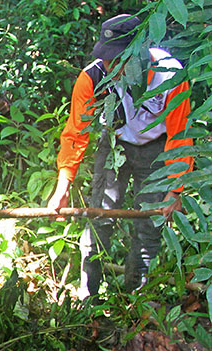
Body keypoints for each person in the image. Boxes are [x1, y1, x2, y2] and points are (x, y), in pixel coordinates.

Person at [46, 14, 193, 298]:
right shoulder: (94, 76)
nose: (112, 66)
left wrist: (174, 189)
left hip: (156, 146)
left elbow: (180, 134)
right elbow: (76, 133)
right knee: (99, 215)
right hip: (114, 142)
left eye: (119, 59)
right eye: (107, 58)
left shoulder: (169, 74)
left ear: (139, 51)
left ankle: (135, 298)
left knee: (150, 222)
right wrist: (63, 186)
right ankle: (89, 295)